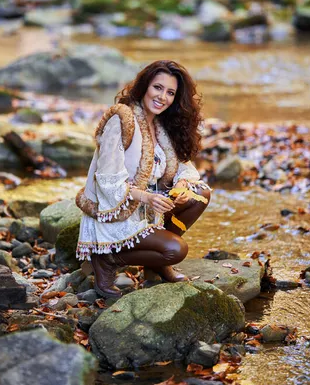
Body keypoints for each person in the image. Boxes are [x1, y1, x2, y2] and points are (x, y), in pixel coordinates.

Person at [75, 60, 211, 298]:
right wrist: (148, 197)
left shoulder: (160, 124)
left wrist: (180, 185)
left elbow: (184, 168)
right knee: (176, 250)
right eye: (158, 88)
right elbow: (107, 182)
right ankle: (106, 259)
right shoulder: (122, 120)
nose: (163, 97)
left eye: (170, 93)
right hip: (117, 213)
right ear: (145, 85)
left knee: (199, 194)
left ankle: (154, 261)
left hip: (146, 211)